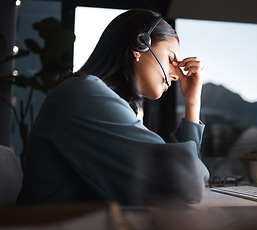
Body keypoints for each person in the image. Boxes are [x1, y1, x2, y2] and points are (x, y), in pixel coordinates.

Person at [17, 9, 209, 205]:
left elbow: (186, 178)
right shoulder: (84, 94)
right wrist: (188, 171)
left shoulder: (95, 97)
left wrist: (192, 103)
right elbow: (185, 182)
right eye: (170, 59)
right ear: (140, 45)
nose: (177, 75)